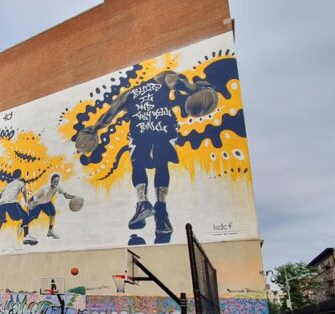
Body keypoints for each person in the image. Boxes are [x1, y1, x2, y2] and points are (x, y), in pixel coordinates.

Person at [75, 70, 218, 245]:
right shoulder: (164, 77)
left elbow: (108, 116)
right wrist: (198, 88)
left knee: (138, 165)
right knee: (161, 164)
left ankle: (143, 202)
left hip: (139, 130)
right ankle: (161, 212)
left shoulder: (126, 95)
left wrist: (94, 129)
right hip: (163, 127)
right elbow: (180, 83)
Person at [0, 169, 38, 247]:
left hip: (1, 205)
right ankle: (26, 236)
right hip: (12, 203)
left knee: (0, 221)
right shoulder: (20, 183)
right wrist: (26, 203)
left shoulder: (7, 185)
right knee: (25, 215)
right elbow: (23, 191)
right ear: (20, 175)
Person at [27, 174, 76, 239]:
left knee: (53, 212)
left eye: (57, 181)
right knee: (32, 217)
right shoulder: (44, 188)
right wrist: (29, 204)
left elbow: (66, 196)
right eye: (55, 181)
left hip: (47, 202)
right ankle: (22, 226)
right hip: (38, 204)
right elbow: (34, 197)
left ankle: (50, 231)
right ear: (51, 181)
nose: (56, 183)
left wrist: (75, 197)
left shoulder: (58, 187)